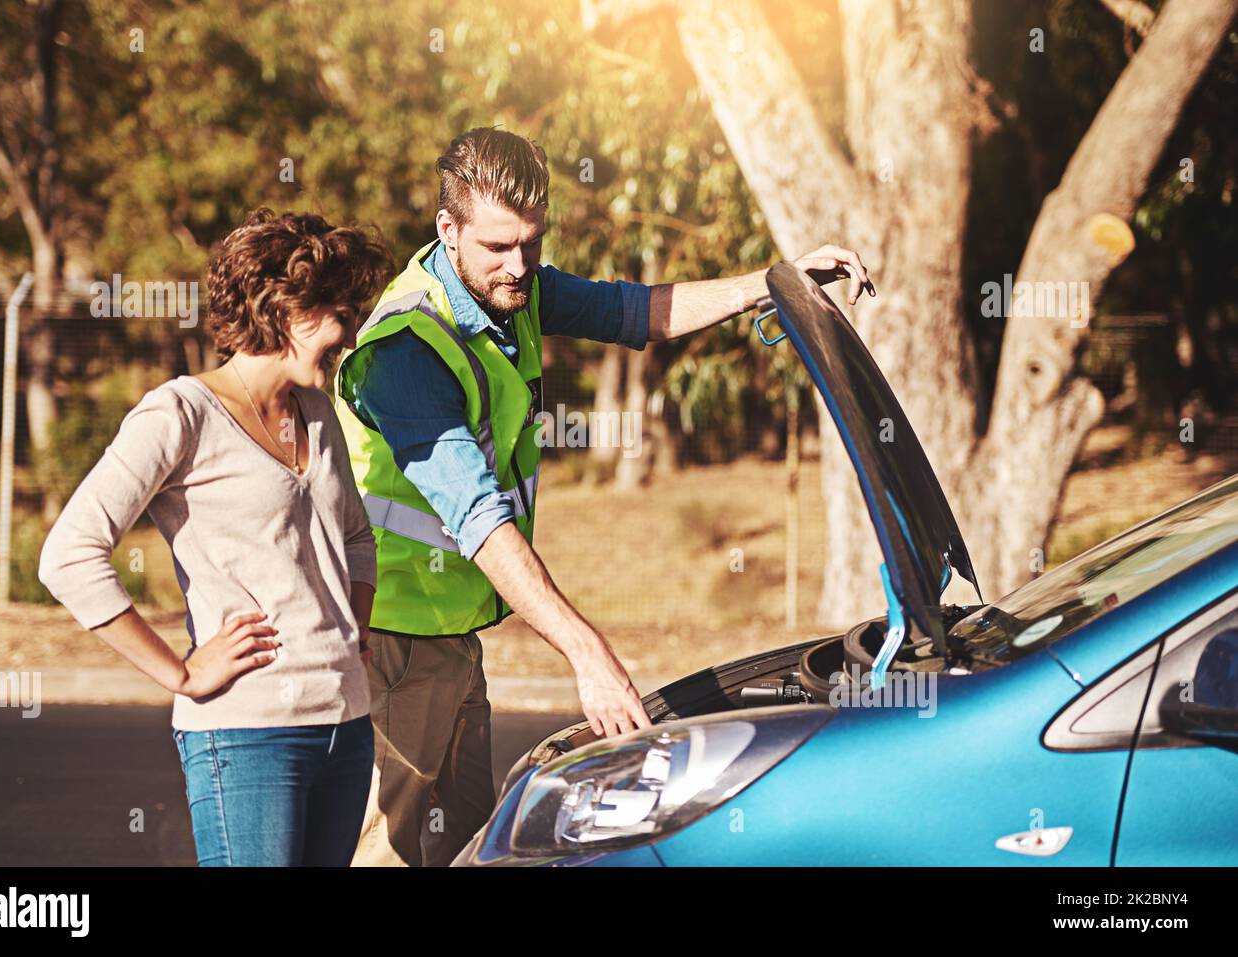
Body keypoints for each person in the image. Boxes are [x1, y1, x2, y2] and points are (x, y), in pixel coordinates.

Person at [334, 127, 876, 867]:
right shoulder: (406, 348)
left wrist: (771, 281)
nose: (519, 265)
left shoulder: (509, 290)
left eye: (532, 240)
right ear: (447, 230)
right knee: (390, 854)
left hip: (451, 637)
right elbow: (479, 518)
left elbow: (636, 311)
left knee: (467, 847)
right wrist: (587, 653)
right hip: (391, 643)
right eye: (498, 246)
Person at [38, 207, 394, 866]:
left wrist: (356, 628)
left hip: (344, 728)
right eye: (341, 311)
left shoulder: (316, 412)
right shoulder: (181, 413)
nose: (351, 329)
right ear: (290, 310)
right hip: (248, 734)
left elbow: (357, 539)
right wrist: (180, 672)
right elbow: (69, 554)